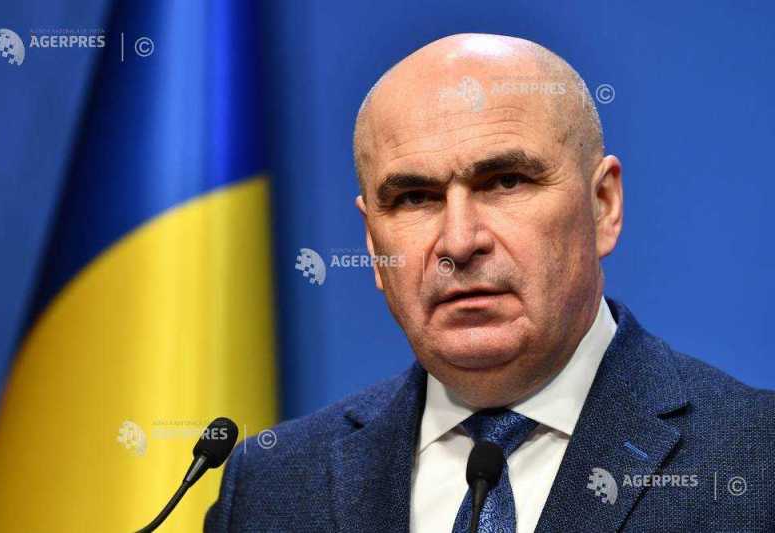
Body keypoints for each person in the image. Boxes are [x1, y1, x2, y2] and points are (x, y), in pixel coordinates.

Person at [205, 34, 775, 532]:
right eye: (415, 198)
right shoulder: (270, 486)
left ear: (603, 205)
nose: (458, 242)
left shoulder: (756, 460)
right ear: (374, 246)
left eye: (505, 182)